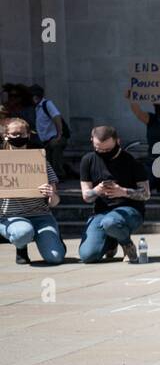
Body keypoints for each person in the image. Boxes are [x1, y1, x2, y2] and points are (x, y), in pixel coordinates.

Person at [78, 125, 150, 263]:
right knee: (87, 256)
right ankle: (111, 242)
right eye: (98, 149)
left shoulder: (132, 161)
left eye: (108, 149)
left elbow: (146, 194)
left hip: (129, 210)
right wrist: (96, 191)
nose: (103, 152)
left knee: (110, 222)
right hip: (101, 212)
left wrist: (123, 192)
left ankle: (125, 243)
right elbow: (86, 196)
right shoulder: (88, 160)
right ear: (92, 141)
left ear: (118, 141)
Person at [0, 118, 65, 265]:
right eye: (14, 134)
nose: (18, 137)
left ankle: (53, 237)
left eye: (22, 134)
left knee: (55, 258)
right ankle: (21, 247)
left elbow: (55, 202)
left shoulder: (39, 161)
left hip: (41, 215)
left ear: (29, 135)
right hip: (11, 216)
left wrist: (51, 194)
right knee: (22, 233)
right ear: (6, 135)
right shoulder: (0, 161)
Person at [31, 85, 68, 179]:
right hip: (47, 141)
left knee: (55, 161)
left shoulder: (47, 104)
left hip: (55, 138)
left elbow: (57, 117)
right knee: (49, 162)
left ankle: (60, 177)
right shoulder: (37, 108)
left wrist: (59, 135)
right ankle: (56, 177)